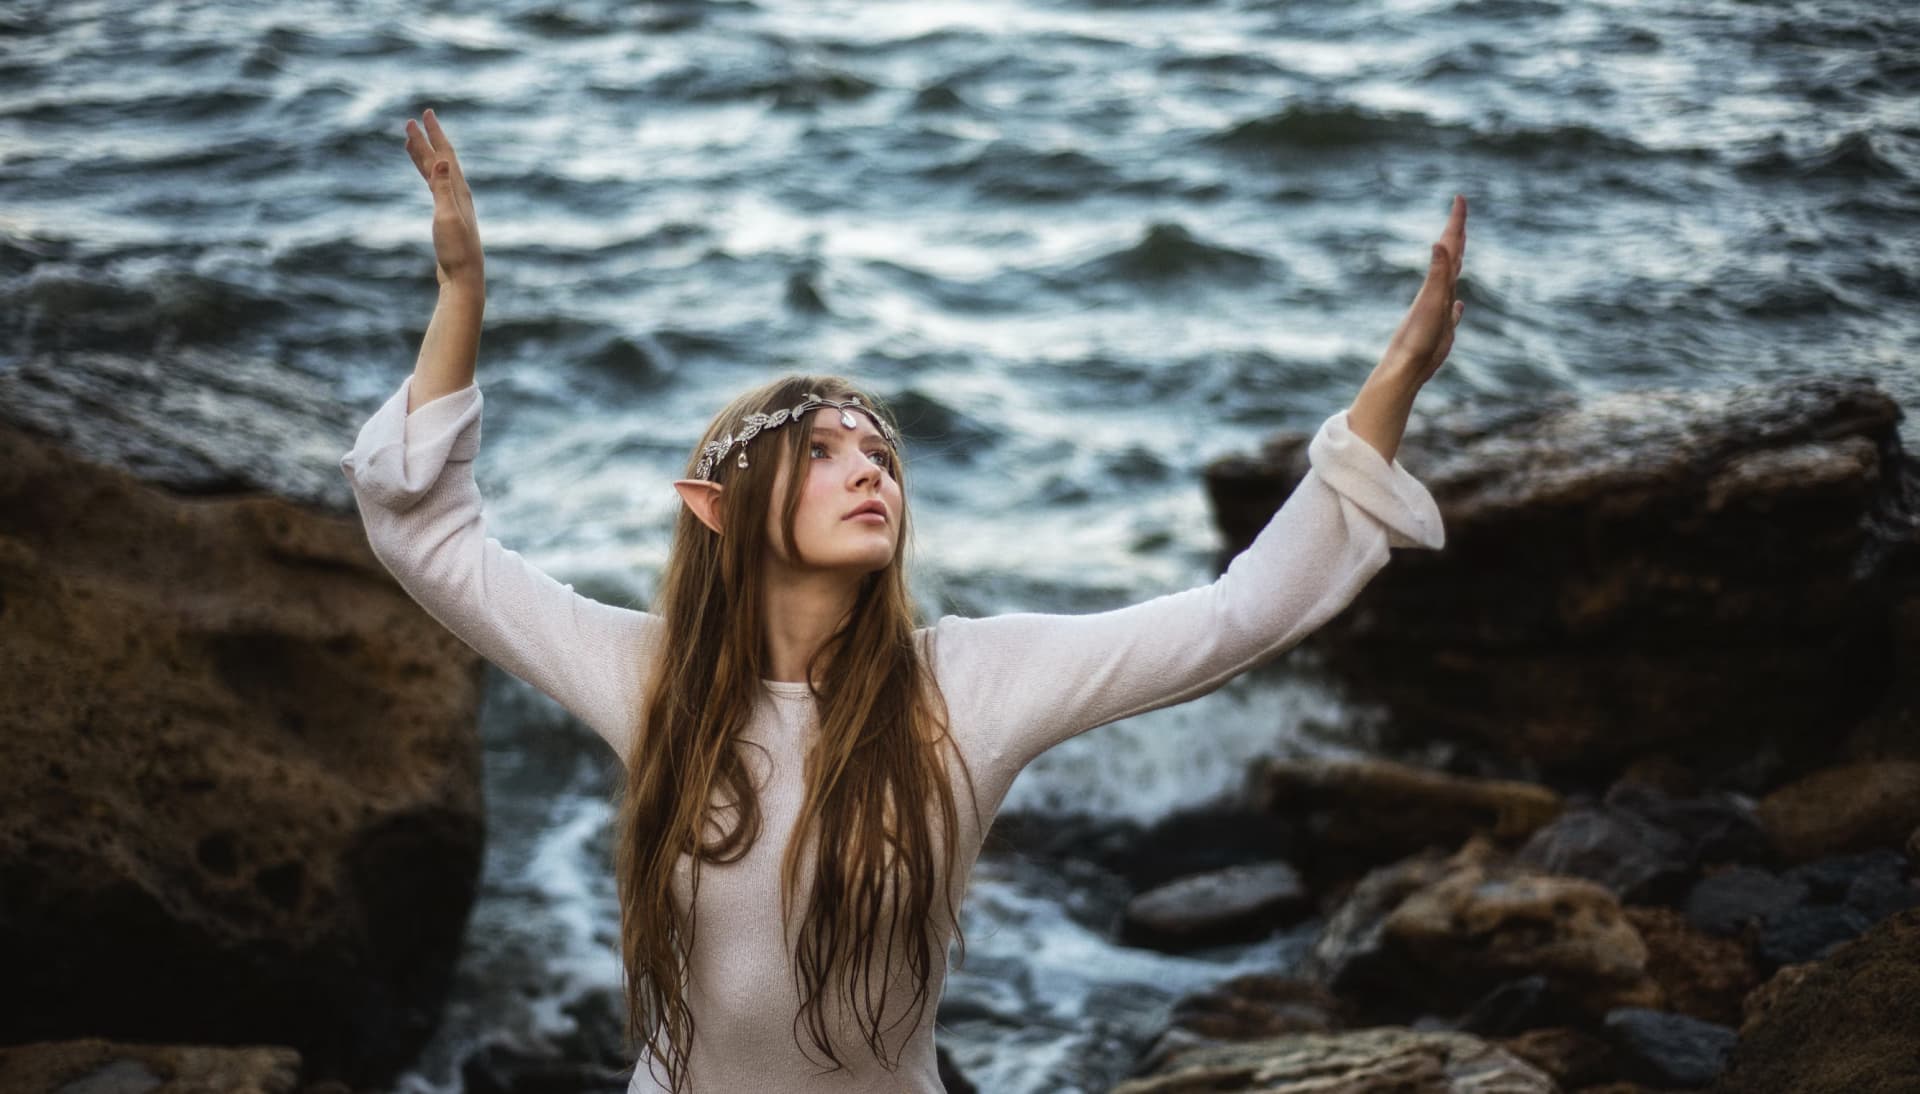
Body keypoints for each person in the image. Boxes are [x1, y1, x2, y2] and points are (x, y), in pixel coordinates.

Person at [339, 108, 1466, 1094]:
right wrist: (463, 295)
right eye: (824, 448)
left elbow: (1238, 614)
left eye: (879, 449)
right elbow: (427, 534)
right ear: (717, 506)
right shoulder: (651, 678)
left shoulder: (965, 687)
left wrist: (1392, 383)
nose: (871, 466)